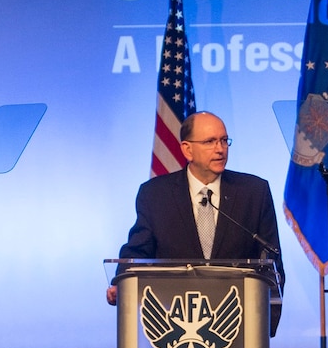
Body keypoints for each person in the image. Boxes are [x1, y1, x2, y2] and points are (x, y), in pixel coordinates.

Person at [114, 112, 284, 331]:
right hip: (173, 326)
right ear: (187, 149)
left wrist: (265, 322)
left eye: (224, 140)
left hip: (238, 325)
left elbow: (271, 261)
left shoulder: (253, 192)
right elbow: (138, 253)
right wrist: (122, 283)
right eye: (210, 142)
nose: (221, 149)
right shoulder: (155, 195)